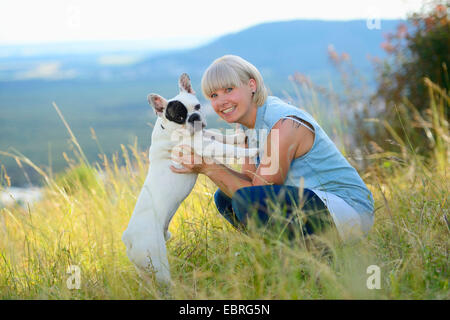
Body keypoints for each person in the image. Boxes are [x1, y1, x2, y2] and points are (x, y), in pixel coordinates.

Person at [170, 55, 374, 242]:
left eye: (229, 90)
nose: (221, 101)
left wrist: (208, 167)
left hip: (351, 211)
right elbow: (250, 180)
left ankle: (314, 256)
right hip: (320, 203)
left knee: (246, 200)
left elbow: (256, 191)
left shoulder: (284, 124)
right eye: (213, 95)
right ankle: (287, 257)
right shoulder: (248, 124)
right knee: (225, 198)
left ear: (252, 85)